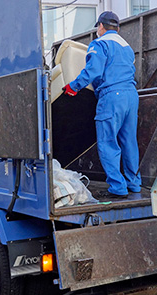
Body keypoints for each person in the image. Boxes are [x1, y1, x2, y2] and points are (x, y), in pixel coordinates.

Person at [63, 11, 141, 200]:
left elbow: (93, 71)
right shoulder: (127, 47)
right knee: (129, 141)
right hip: (131, 95)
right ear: (117, 28)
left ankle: (117, 187)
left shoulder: (99, 44)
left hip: (112, 97)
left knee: (108, 142)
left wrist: (73, 87)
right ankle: (134, 183)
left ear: (100, 26)